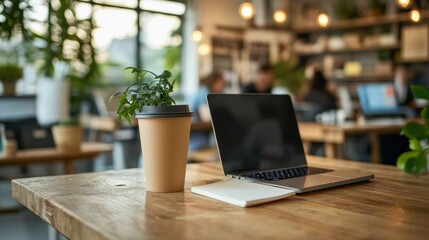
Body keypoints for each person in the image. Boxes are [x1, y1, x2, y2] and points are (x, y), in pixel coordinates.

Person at [186, 72, 225, 151]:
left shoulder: (203, 91)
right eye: (220, 83)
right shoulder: (204, 91)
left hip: (194, 127)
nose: (222, 86)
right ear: (214, 82)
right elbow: (206, 117)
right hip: (193, 130)